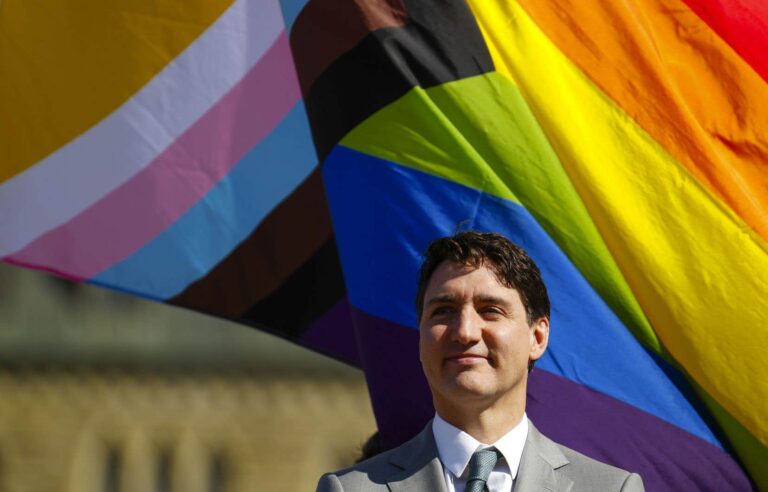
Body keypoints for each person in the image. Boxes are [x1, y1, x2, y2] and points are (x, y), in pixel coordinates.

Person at [317, 231, 644, 491]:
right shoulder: (350, 489)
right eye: (443, 311)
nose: (465, 332)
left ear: (537, 337)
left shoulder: (612, 488)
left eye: (491, 310)